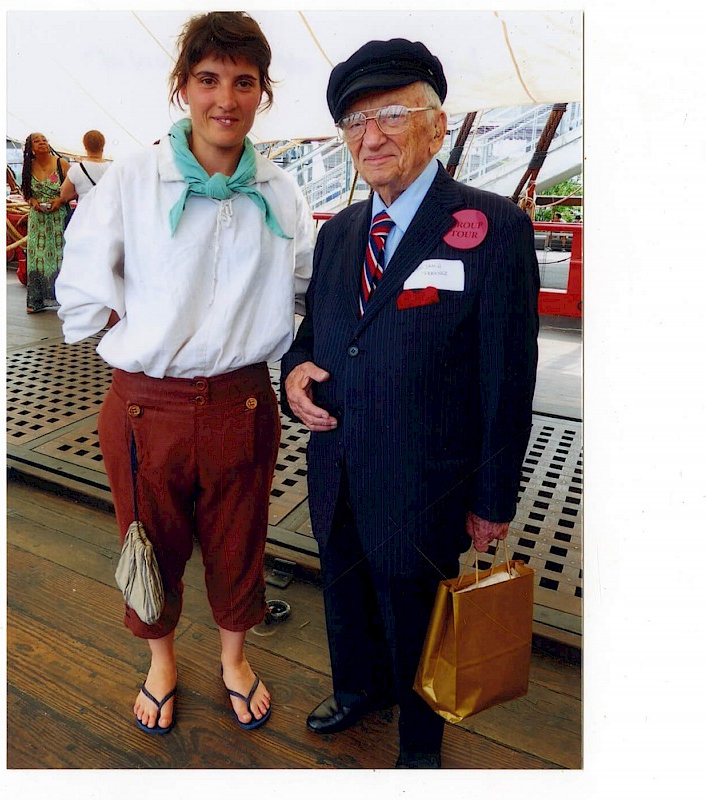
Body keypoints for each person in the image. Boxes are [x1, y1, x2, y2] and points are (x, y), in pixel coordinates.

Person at [280, 38, 539, 769]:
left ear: (436, 125)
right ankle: (357, 689)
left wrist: (493, 498)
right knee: (344, 591)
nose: (372, 136)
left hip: (427, 480)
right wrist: (293, 378)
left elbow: (508, 379)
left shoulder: (493, 227)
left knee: (416, 612)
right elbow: (314, 339)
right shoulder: (341, 235)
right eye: (355, 122)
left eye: (392, 114)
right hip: (337, 464)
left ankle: (420, 748)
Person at [56, 12, 313, 737]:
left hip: (242, 399)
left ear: (263, 92)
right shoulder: (134, 179)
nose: (225, 99)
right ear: (182, 87)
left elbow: (306, 281)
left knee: (241, 537)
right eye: (208, 79)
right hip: (146, 407)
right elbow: (81, 284)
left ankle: (234, 659)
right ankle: (161, 662)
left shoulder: (281, 191)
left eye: (244, 82)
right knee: (149, 541)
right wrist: (129, 322)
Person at [20, 133, 69, 312]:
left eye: (44, 140)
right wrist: (33, 202)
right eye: (37, 141)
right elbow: (26, 192)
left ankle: (65, 299)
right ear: (31, 148)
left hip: (58, 217)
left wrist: (60, 200)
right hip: (37, 219)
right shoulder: (28, 167)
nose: (42, 143)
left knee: (61, 256)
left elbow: (74, 189)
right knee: (36, 258)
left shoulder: (61, 163)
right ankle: (35, 301)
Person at [51, 129, 111, 215]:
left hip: (85, 213)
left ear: (85, 146)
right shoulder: (112, 168)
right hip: (107, 212)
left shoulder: (76, 169)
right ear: (103, 145)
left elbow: (65, 194)